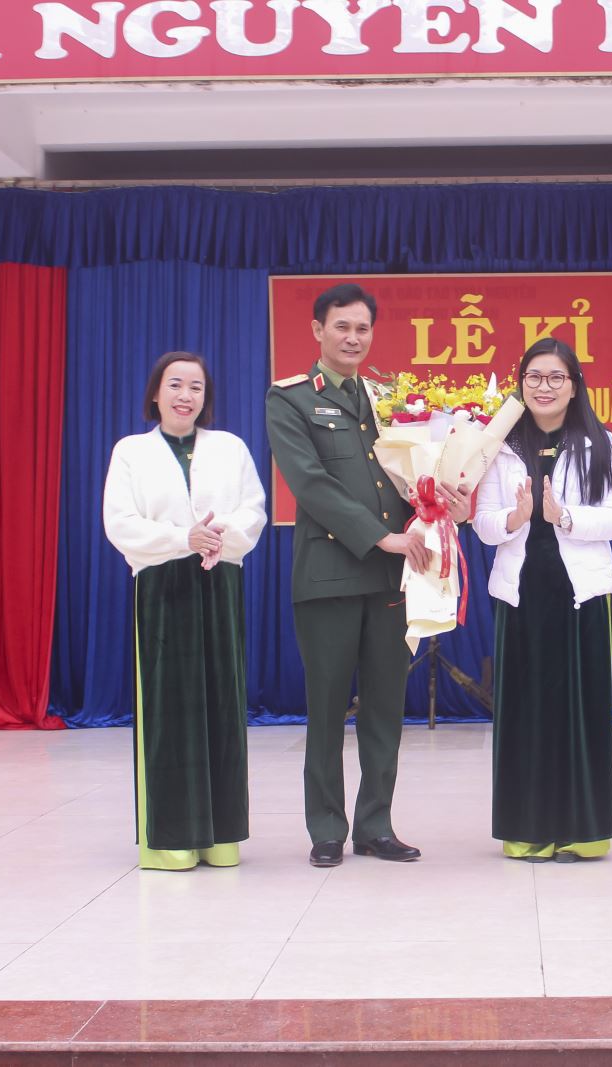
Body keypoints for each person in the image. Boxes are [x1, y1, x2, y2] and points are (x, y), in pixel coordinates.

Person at [266, 282, 470, 868]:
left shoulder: (388, 400)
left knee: (385, 708)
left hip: (391, 578)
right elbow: (310, 483)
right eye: (342, 327)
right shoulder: (290, 399)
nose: (353, 338)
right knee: (328, 708)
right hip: (329, 575)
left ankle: (376, 825)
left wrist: (442, 502)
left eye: (362, 328)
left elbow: (410, 477)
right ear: (317, 330)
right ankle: (327, 828)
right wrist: (382, 537)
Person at [102, 352, 267, 872]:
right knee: (169, 712)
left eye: (196, 387)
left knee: (222, 707)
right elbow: (120, 522)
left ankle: (221, 835)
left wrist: (216, 540)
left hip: (220, 581)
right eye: (175, 385)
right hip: (162, 587)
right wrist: (182, 539)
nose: (185, 395)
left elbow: (253, 511)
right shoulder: (132, 452)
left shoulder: (230, 448)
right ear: (156, 393)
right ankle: (170, 837)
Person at [473, 338, 612, 862]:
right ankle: (527, 831)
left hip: (581, 593)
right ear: (521, 384)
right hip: (521, 594)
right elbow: (484, 525)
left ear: (574, 386)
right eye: (534, 377)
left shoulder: (601, 443)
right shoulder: (497, 445)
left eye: (556, 377)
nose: (544, 387)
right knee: (525, 713)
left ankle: (585, 832)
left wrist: (563, 515)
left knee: (582, 713)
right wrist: (515, 518)